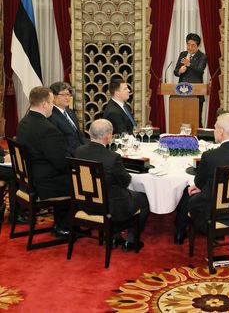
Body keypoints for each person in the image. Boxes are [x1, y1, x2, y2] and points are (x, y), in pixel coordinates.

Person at [174, 113, 229, 244]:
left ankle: (180, 233)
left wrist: (200, 187)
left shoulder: (210, 156)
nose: (214, 131)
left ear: (221, 131)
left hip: (214, 213)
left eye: (215, 127)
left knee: (187, 193)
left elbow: (198, 183)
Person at [75, 119, 149, 251]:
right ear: (107, 136)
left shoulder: (78, 151)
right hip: (110, 207)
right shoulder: (113, 157)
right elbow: (125, 181)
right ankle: (132, 241)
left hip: (84, 203)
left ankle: (115, 237)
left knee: (111, 190)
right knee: (142, 198)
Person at [16, 86, 71, 236]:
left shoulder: (24, 122)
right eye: (52, 102)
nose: (53, 106)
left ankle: (61, 224)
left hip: (28, 179)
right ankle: (64, 226)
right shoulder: (48, 129)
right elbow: (61, 163)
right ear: (45, 103)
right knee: (84, 184)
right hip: (45, 184)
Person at [173, 33, 208, 126]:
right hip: (181, 93)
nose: (190, 47)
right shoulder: (183, 54)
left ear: (198, 45)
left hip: (196, 94)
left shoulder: (202, 56)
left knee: (196, 120)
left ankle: (198, 139)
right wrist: (179, 71)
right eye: (188, 44)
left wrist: (189, 64)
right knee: (182, 118)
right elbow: (175, 71)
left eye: (193, 45)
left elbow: (200, 71)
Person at [48, 82, 86, 155]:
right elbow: (60, 143)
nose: (67, 97)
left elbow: (80, 135)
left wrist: (89, 148)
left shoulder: (71, 112)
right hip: (70, 156)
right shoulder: (51, 115)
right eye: (63, 95)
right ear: (53, 97)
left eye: (68, 94)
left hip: (81, 150)